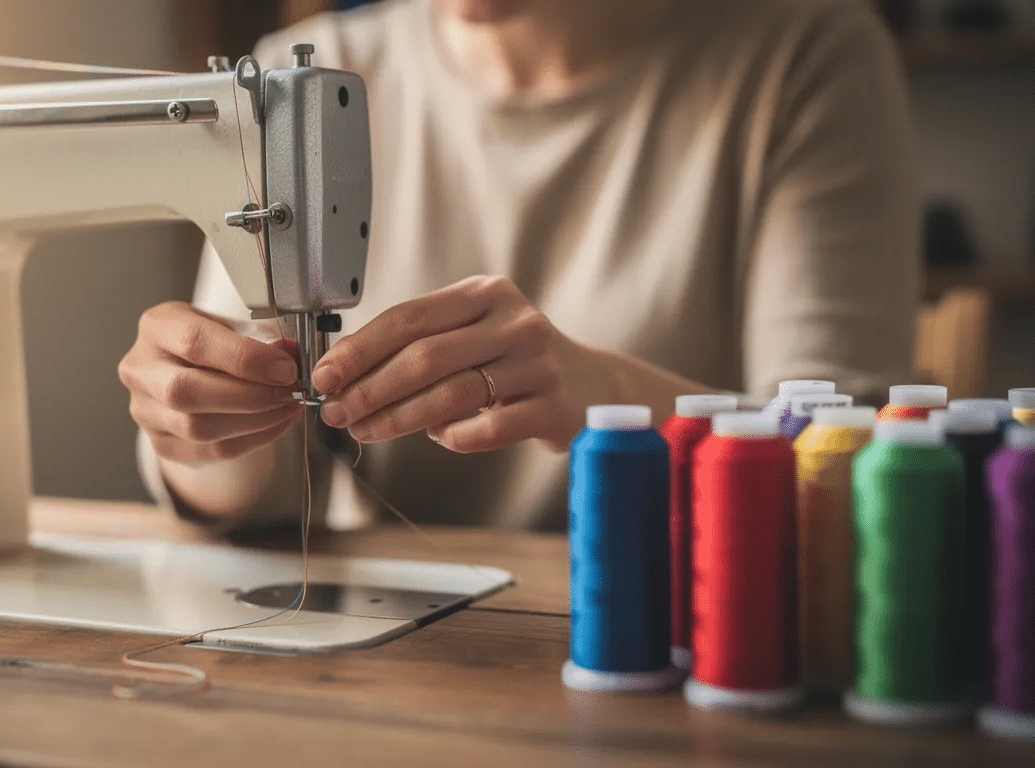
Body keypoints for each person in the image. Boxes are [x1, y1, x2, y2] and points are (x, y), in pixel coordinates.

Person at [118, 0, 919, 533]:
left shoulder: (807, 59)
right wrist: (203, 430)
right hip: (403, 686)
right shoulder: (303, 76)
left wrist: (604, 396)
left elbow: (849, 481)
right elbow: (259, 499)